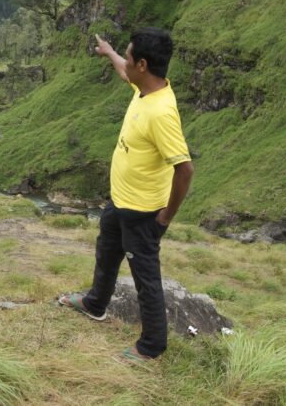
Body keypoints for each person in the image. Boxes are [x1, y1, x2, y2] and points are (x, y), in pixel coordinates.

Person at [58, 28, 194, 362]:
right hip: (120, 202)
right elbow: (124, 70)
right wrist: (109, 52)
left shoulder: (161, 113)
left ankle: (151, 346)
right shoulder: (144, 88)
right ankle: (95, 304)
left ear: (144, 65)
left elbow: (185, 169)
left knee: (146, 280)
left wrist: (164, 219)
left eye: (131, 56)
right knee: (106, 254)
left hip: (143, 213)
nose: (127, 61)